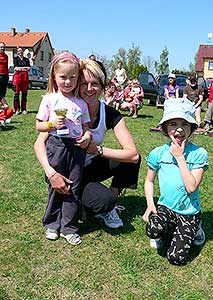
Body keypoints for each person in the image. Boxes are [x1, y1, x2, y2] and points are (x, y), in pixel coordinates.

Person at [34, 58, 140, 235]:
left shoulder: (109, 112)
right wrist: (51, 173)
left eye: (95, 84)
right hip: (62, 169)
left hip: (89, 165)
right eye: (84, 83)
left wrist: (96, 150)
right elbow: (38, 144)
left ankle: (108, 204)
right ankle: (84, 206)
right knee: (101, 200)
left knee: (128, 161)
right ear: (77, 84)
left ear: (102, 86)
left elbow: (133, 155)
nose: (89, 89)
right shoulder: (65, 107)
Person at [143, 98, 208, 265]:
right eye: (173, 124)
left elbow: (191, 187)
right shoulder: (157, 153)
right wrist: (151, 204)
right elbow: (149, 181)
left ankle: (195, 228)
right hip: (167, 208)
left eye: (184, 124)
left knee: (176, 258)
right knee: (153, 229)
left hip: (189, 212)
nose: (179, 129)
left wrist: (180, 157)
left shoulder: (199, 154)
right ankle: (168, 230)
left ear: (192, 128)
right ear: (165, 128)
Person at [35, 52, 91, 246]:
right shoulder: (50, 99)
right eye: (63, 77)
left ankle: (69, 227)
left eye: (72, 77)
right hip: (56, 146)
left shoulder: (81, 103)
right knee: (56, 186)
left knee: (73, 187)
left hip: (76, 149)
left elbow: (85, 127)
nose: (68, 82)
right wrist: (51, 124)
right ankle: (52, 223)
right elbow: (39, 126)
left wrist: (87, 136)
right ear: (54, 77)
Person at [12, 46, 30, 115]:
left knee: (24, 94)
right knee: (16, 94)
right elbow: (16, 68)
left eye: (21, 50)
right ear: (17, 52)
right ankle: (17, 109)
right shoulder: (15, 59)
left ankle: (24, 109)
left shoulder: (26, 59)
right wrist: (24, 68)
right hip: (17, 78)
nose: (20, 52)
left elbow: (28, 68)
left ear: (23, 51)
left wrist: (21, 68)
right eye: (19, 51)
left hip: (25, 78)